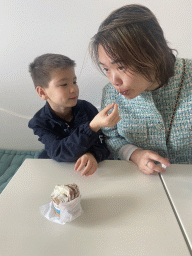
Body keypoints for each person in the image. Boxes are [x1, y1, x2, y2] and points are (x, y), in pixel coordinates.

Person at [89, 4, 192, 175]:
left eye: (121, 66)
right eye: (106, 69)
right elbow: (112, 138)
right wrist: (135, 155)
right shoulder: (111, 94)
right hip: (137, 181)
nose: (114, 80)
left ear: (153, 53)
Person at [28, 53, 120, 176]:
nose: (73, 89)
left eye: (74, 82)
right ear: (42, 92)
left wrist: (92, 154)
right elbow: (60, 151)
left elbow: (104, 143)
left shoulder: (87, 108)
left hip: (88, 172)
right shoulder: (39, 122)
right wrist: (91, 127)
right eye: (64, 84)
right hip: (58, 170)